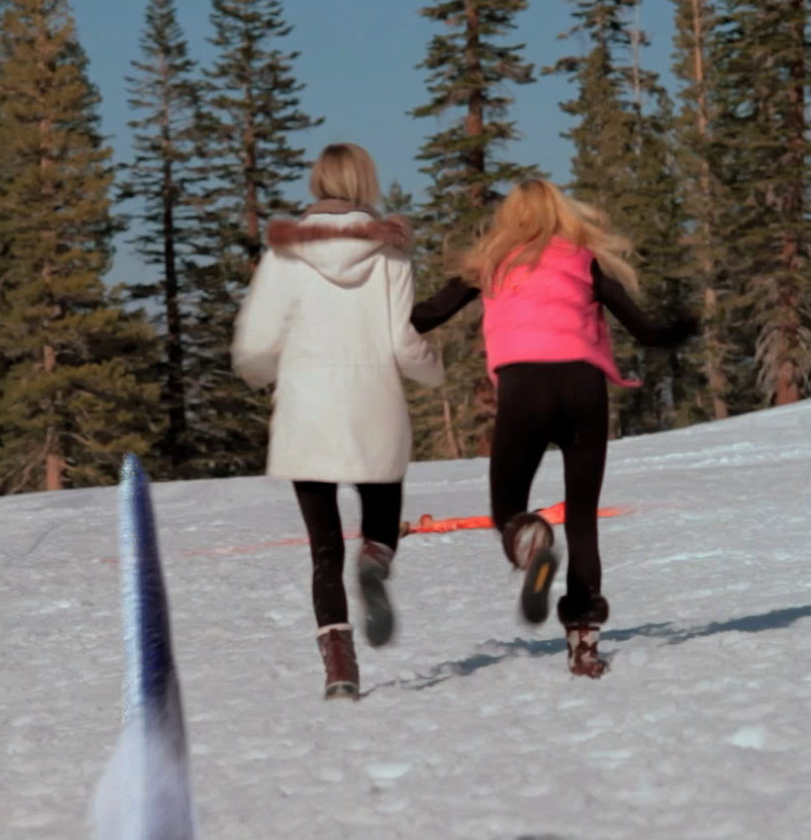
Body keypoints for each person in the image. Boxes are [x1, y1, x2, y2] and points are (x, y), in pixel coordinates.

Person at [410, 179, 695, 679]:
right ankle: (584, 642)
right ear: (563, 214)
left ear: (510, 219)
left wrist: (367, 323)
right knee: (582, 518)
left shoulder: (492, 265)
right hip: (583, 390)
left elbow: (428, 315)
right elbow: (649, 332)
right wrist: (685, 325)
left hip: (525, 391)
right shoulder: (586, 260)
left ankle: (530, 538)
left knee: (507, 507)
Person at [232, 143, 443, 700]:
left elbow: (255, 341)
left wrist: (258, 370)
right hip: (374, 406)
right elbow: (402, 341)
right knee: (381, 511)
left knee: (323, 551)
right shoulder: (390, 253)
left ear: (317, 182)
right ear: (365, 182)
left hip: (308, 412)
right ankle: (376, 557)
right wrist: (434, 370)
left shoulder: (285, 256)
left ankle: (340, 671)